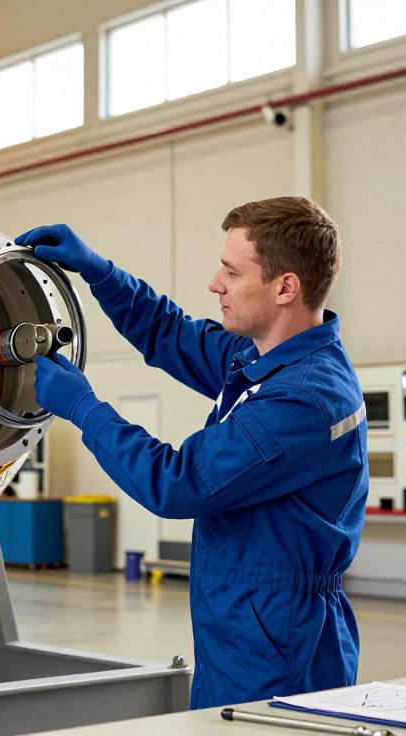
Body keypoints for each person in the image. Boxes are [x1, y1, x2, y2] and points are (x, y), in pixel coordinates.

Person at [19, 196, 368, 709]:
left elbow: (177, 482)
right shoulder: (264, 356)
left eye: (231, 271)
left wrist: (84, 408)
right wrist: (100, 272)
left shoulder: (303, 398)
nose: (215, 283)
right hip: (245, 617)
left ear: (285, 287)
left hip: (277, 639)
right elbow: (170, 334)